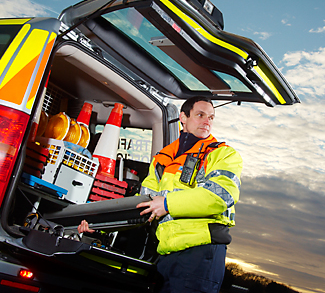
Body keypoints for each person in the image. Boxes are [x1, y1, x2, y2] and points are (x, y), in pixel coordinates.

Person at [78, 96, 242, 293]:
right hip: (166, 256)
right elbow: (142, 207)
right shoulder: (162, 160)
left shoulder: (223, 154)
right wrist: (99, 227)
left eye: (211, 117)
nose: (207, 121)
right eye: (200, 115)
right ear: (183, 117)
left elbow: (221, 196)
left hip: (201, 255)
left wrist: (167, 204)